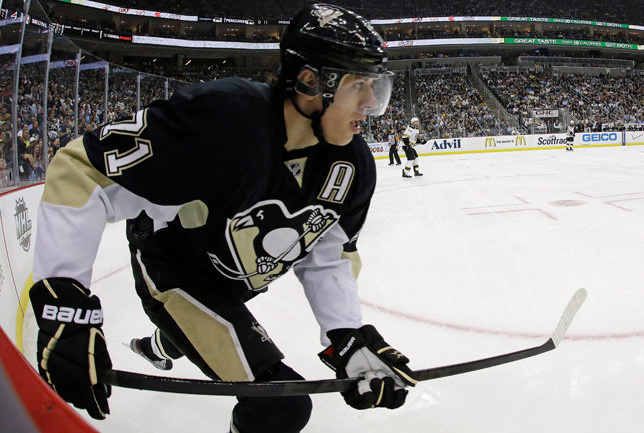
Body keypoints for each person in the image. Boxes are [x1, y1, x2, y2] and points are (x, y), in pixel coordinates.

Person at [28, 4, 416, 433]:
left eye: (375, 86)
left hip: (236, 281)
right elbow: (82, 170)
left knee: (209, 329)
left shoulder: (352, 166)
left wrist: (346, 335)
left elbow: (330, 255)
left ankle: (158, 345)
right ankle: (167, 336)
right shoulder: (224, 119)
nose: (372, 103)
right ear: (310, 81)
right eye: (359, 85)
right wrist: (64, 304)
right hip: (173, 270)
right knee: (281, 407)